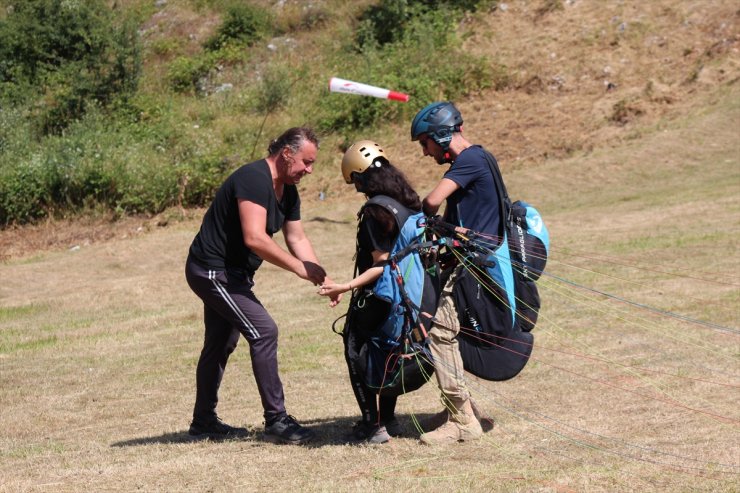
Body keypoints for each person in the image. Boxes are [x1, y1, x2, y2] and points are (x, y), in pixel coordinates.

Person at [185, 127, 340, 445]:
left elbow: (296, 237)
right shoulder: (253, 178)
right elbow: (254, 238)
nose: (308, 171)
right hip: (213, 271)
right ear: (286, 153)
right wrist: (298, 268)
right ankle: (277, 422)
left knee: (221, 342)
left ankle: (203, 422)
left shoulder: (288, 190)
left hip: (233, 275)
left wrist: (322, 277)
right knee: (263, 331)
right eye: (305, 163)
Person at [318, 140, 429, 444]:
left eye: (354, 179)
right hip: (413, 293)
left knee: (356, 348)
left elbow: (381, 264)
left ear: (360, 176)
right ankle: (389, 418)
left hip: (383, 294)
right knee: (389, 351)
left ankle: (372, 424)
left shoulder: (374, 211)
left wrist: (346, 285)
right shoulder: (407, 202)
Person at [410, 101, 497, 445]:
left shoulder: (469, 161)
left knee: (441, 333)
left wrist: (428, 218)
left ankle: (463, 421)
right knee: (448, 333)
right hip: (468, 260)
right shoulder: (481, 157)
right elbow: (452, 217)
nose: (425, 152)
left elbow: (431, 203)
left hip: (475, 263)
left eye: (425, 143)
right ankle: (461, 408)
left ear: (441, 135)